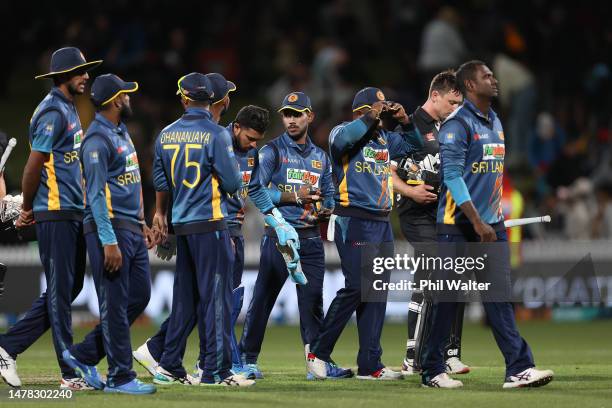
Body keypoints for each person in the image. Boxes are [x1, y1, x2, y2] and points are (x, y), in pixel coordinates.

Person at [420, 60, 554, 389]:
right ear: (469, 86)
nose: (494, 80)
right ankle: (431, 370)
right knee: (448, 300)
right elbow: (451, 177)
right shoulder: (457, 125)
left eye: (493, 75)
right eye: (486, 76)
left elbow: (488, 175)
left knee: (499, 298)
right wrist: (477, 221)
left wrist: (489, 219)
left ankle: (518, 368)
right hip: (457, 226)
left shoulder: (495, 120)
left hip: (490, 226)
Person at [0, 47, 101, 390]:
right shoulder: (51, 111)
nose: (86, 76)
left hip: (71, 210)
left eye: (86, 71)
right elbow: (33, 164)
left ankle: (7, 347)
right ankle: (70, 374)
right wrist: (28, 208)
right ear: (62, 76)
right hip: (54, 212)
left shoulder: (70, 109)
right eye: (79, 71)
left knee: (69, 287)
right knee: (60, 291)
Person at [306, 87, 421, 380]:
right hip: (353, 218)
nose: (384, 111)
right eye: (378, 107)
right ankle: (317, 352)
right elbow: (343, 141)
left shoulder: (384, 139)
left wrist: (405, 120)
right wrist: (373, 115)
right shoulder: (341, 131)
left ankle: (371, 365)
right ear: (363, 110)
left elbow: (415, 147)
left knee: (377, 291)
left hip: (382, 222)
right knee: (357, 286)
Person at [238, 92, 352, 380]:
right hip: (279, 238)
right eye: (287, 114)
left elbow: (329, 195)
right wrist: (293, 196)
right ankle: (247, 360)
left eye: (297, 114)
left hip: (312, 238)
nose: (291, 119)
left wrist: (325, 209)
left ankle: (317, 363)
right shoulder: (271, 151)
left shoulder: (320, 157)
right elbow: (256, 190)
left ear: (310, 116)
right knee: (263, 299)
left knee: (312, 302)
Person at [151, 72, 253, 387]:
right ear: (211, 99)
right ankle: (217, 372)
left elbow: (160, 180)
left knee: (185, 297)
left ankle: (169, 365)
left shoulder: (165, 134)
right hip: (211, 224)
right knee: (217, 299)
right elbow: (234, 182)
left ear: (184, 98)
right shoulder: (216, 134)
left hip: (181, 225)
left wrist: (161, 216)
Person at [60, 74, 156, 394]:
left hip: (129, 225)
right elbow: (96, 194)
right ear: (116, 101)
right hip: (109, 228)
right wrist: (108, 240)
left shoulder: (120, 131)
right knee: (114, 303)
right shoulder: (96, 140)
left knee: (139, 296)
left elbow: (128, 181)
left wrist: (142, 222)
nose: (129, 98)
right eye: (126, 95)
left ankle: (83, 355)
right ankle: (120, 376)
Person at [390, 71, 468, 375]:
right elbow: (386, 172)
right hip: (416, 215)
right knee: (435, 277)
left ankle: (449, 353)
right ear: (435, 95)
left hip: (444, 215)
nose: (455, 108)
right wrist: (410, 190)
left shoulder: (451, 128)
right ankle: (415, 355)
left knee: (453, 278)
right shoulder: (408, 127)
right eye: (452, 102)